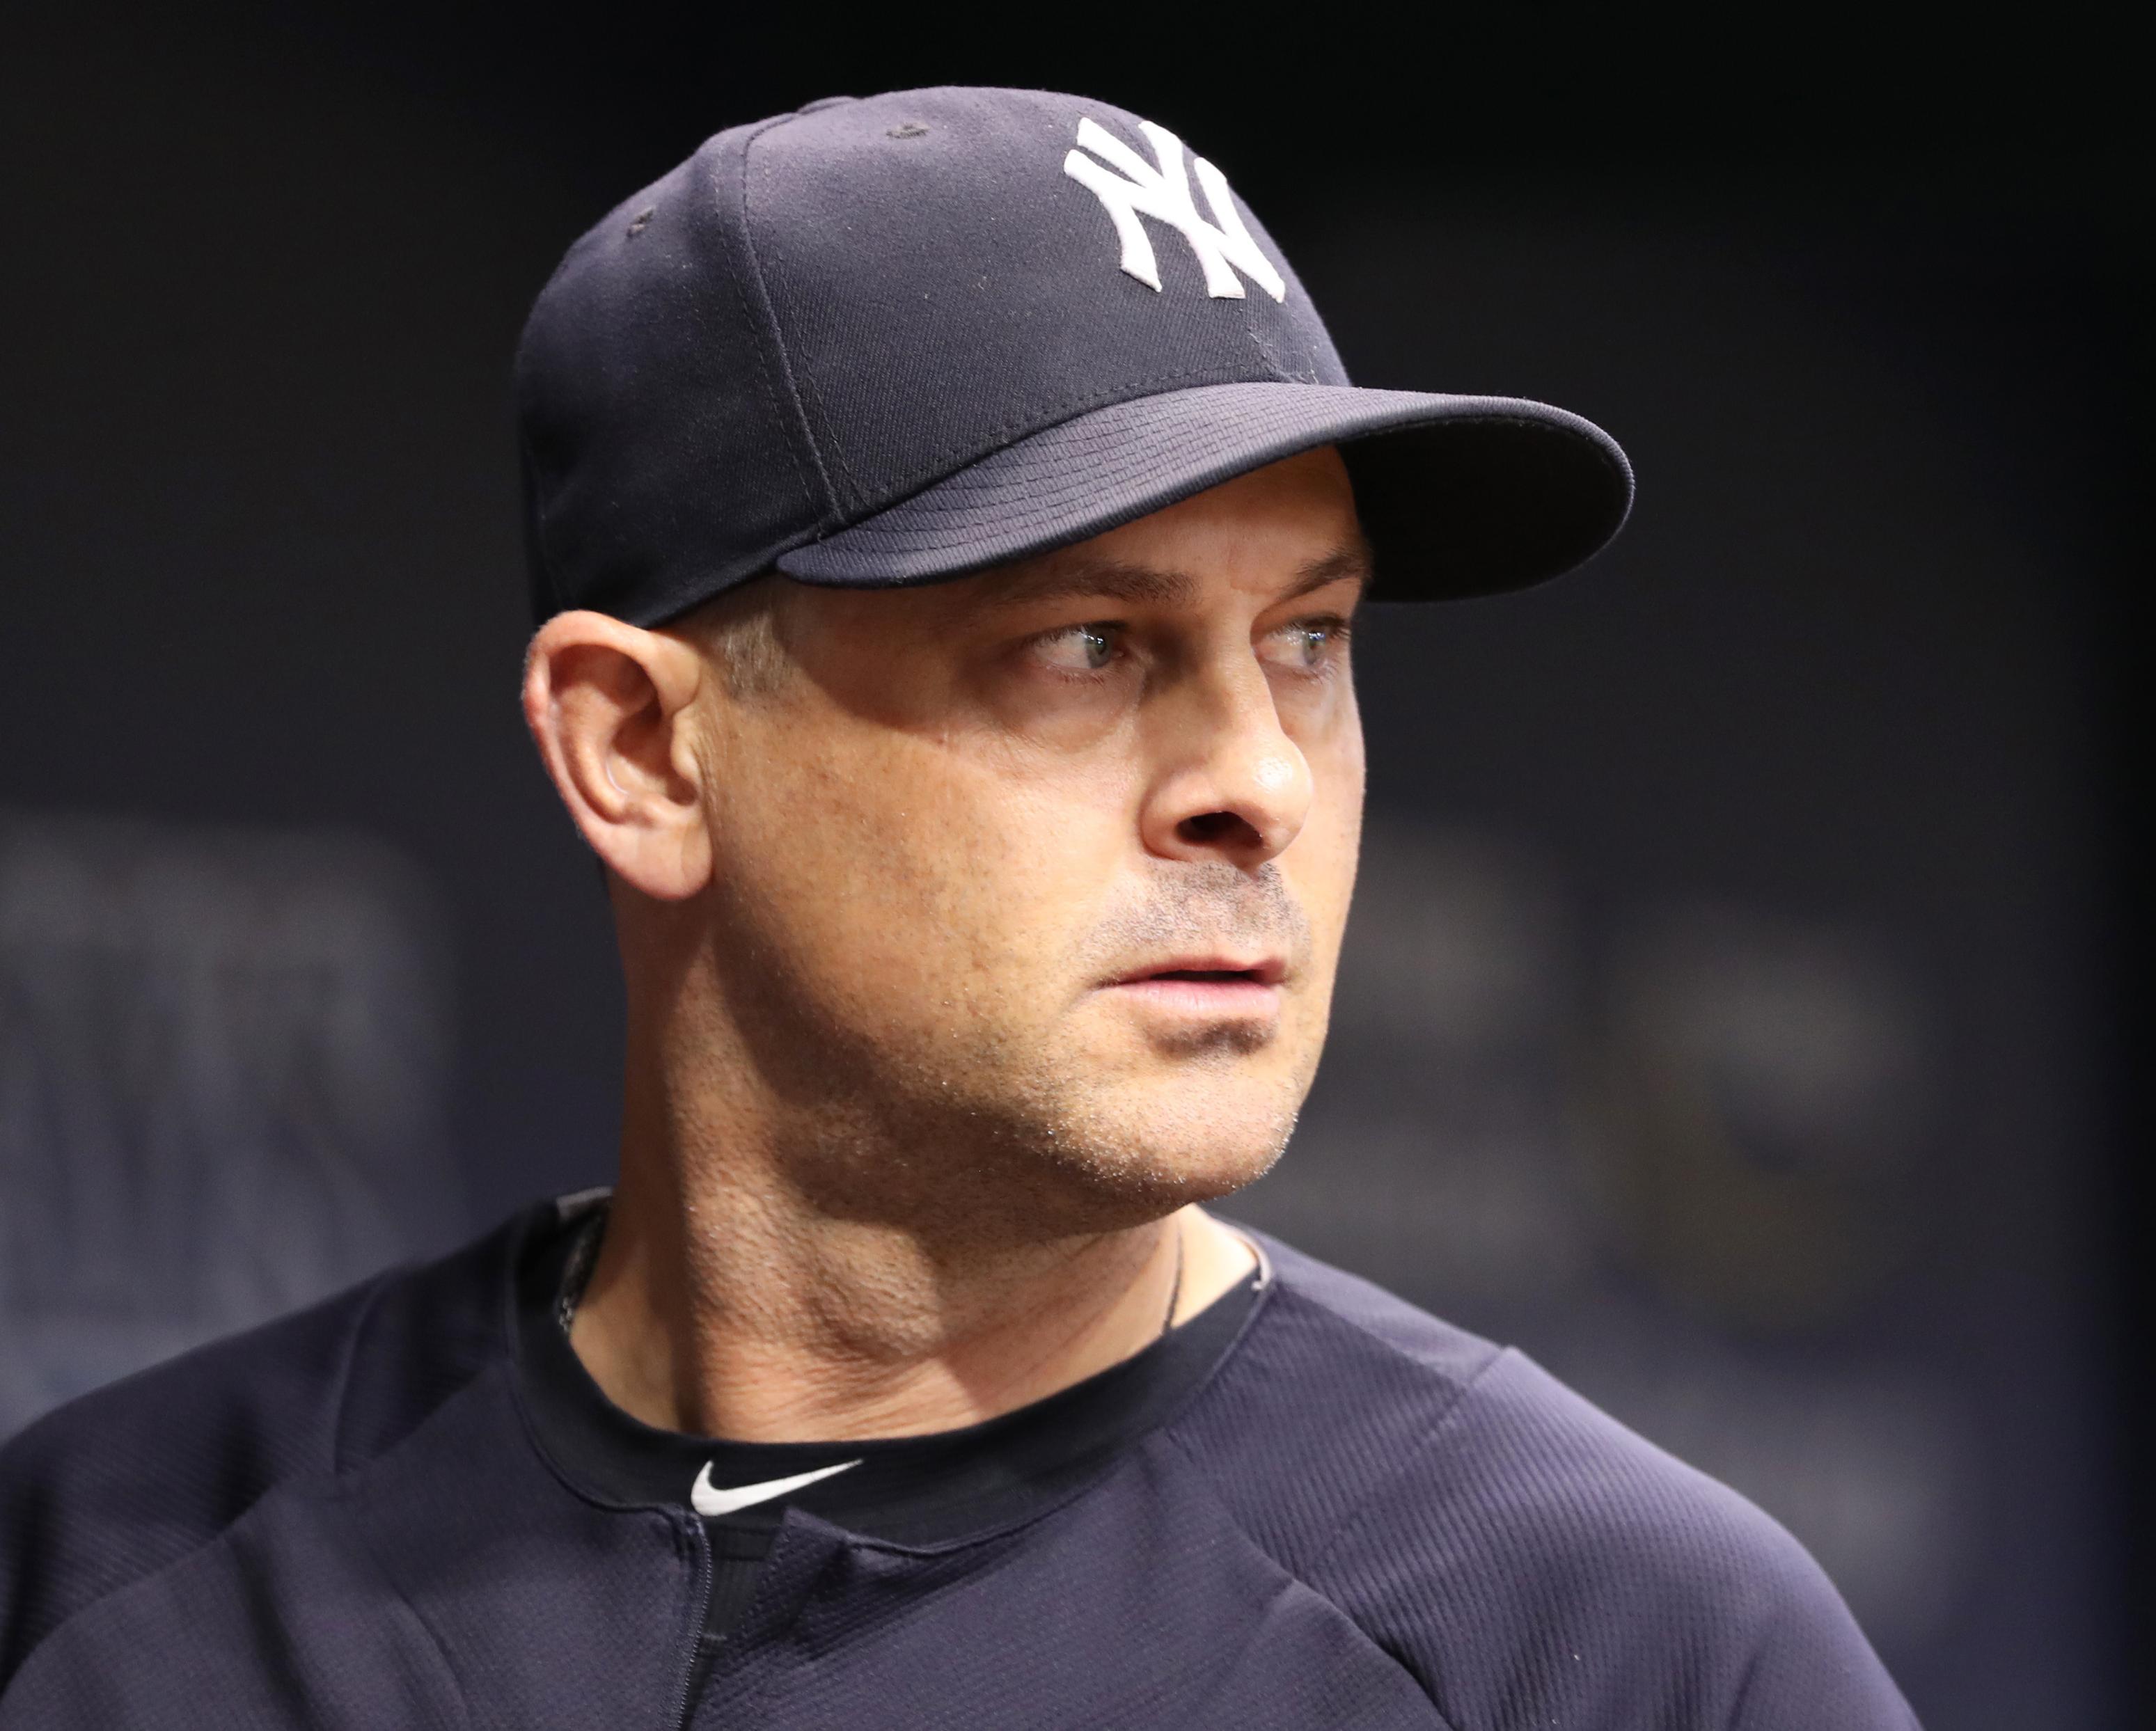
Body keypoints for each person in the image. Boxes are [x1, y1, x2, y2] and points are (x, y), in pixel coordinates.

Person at [0, 86, 1918, 1728]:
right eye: (1086, 644)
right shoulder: (108, 1578)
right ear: (642, 755)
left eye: (1309, 640)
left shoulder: (1609, 1653)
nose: (1256, 779)